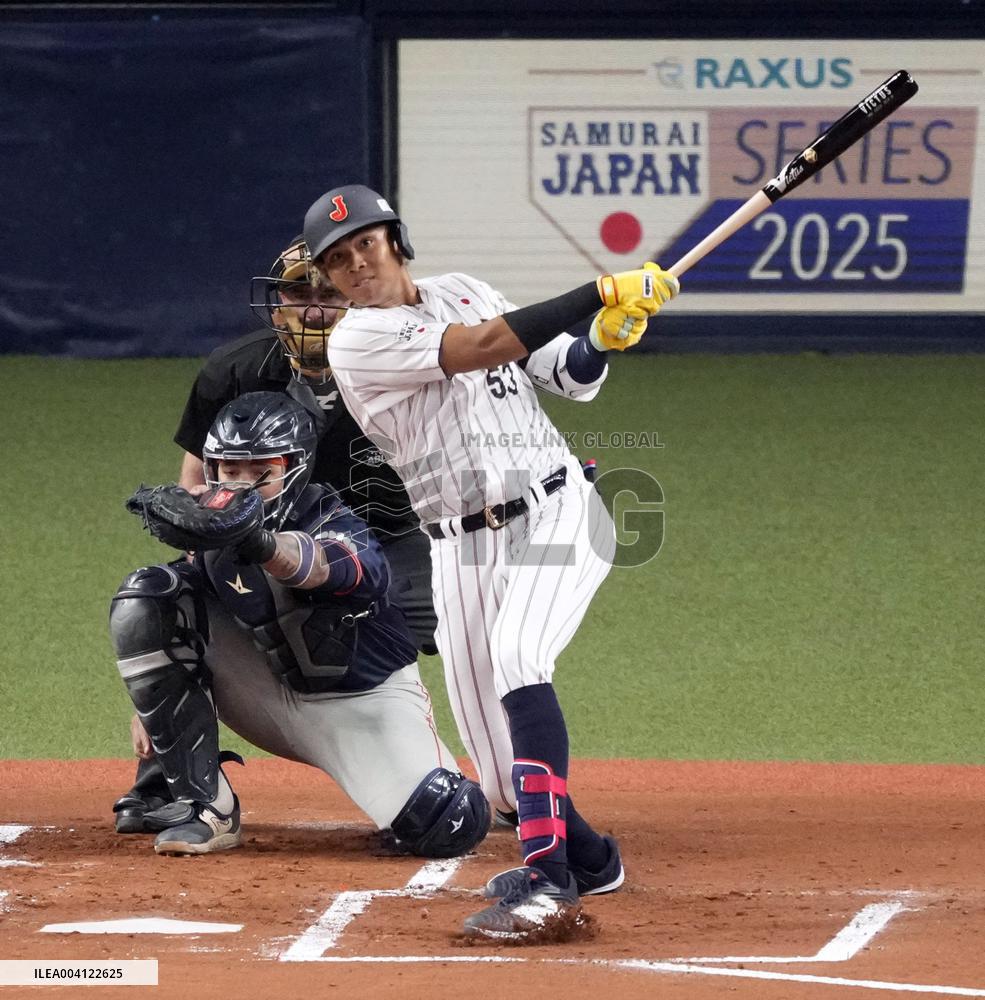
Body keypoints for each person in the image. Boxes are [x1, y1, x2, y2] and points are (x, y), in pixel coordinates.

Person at [301, 184, 679, 938]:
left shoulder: (466, 289)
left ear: (395, 241)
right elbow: (481, 348)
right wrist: (597, 289)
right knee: (504, 784)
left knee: (516, 658)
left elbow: (565, 376)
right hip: (458, 546)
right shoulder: (355, 342)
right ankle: (594, 860)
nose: (355, 266)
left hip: (556, 512)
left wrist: (604, 334)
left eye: (365, 246)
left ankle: (546, 883)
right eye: (337, 261)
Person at [112, 238, 442, 834]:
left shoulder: (403, 364)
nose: (313, 308)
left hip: (393, 534)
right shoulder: (234, 370)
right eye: (298, 292)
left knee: (471, 638)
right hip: (270, 532)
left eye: (329, 293)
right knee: (173, 604)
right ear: (275, 301)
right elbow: (198, 484)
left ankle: (502, 778)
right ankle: (172, 776)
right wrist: (201, 571)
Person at [109, 391, 489, 857]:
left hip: (363, 707)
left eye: (260, 471)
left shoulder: (337, 521)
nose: (241, 485)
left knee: (448, 819)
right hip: (269, 697)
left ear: (294, 467)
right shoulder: (211, 539)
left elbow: (317, 568)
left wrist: (255, 540)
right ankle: (206, 805)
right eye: (229, 470)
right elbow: (169, 626)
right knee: (148, 595)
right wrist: (154, 707)